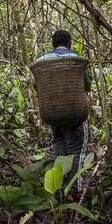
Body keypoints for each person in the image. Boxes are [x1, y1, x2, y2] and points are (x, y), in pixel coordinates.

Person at [36, 30, 91, 198]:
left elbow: (37, 86)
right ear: (70, 43)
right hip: (75, 112)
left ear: (52, 44)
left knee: (60, 147)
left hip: (52, 113)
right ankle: (75, 191)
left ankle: (59, 190)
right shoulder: (76, 60)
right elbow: (86, 84)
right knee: (77, 150)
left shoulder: (41, 61)